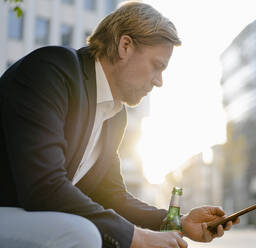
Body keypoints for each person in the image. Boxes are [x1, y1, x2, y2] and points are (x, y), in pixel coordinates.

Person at [0, 2, 239, 248]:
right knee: (83, 234)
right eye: (157, 66)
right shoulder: (52, 70)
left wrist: (179, 221)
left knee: (99, 232)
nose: (159, 82)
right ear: (125, 46)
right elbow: (45, 186)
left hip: (26, 217)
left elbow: (112, 197)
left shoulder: (115, 115)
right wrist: (137, 237)